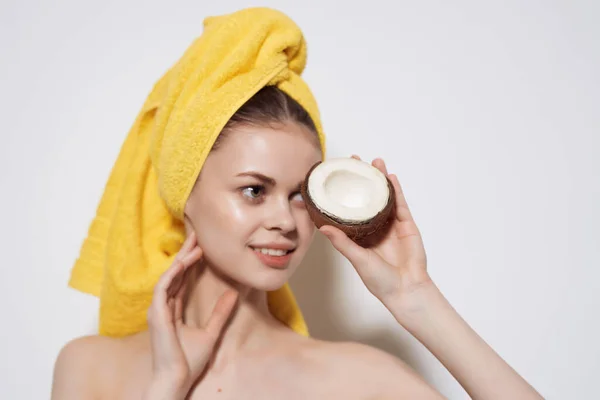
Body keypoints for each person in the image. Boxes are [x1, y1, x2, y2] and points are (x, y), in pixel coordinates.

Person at [51, 8, 544, 400]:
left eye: (299, 195)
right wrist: (166, 389)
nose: (286, 221)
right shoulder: (89, 368)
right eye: (253, 190)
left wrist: (415, 297)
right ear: (183, 194)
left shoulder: (355, 380)